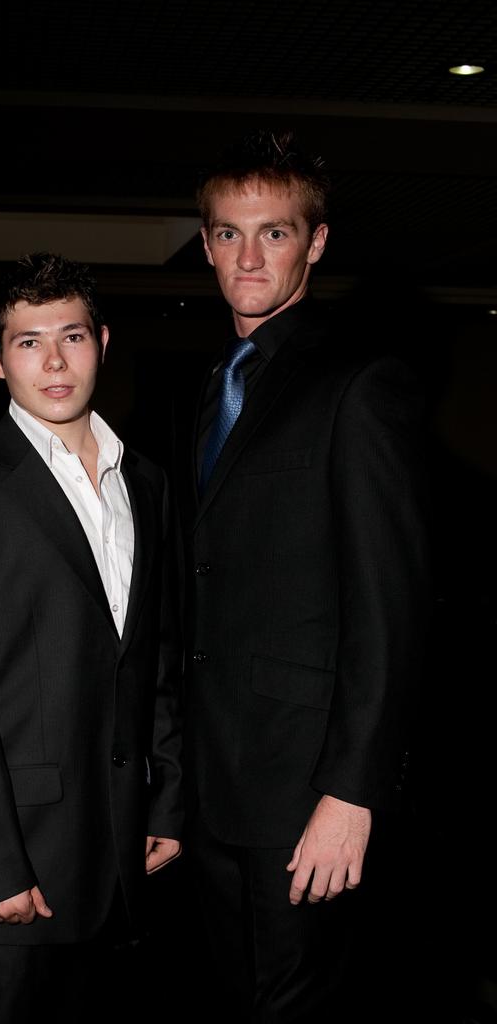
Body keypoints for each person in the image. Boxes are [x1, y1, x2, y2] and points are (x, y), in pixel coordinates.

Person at [182, 131, 428, 1020]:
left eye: (275, 234)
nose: (249, 257)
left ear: (315, 243)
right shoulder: (208, 386)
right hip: (212, 795)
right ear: (205, 241)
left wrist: (352, 792)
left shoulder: (360, 384)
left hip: (304, 796)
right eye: (229, 234)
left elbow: (390, 610)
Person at [0, 252, 182, 1023]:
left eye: (72, 336)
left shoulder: (148, 483)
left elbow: (152, 656)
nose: (54, 362)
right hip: (13, 866)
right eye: (28, 342)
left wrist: (168, 803)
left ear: (103, 341)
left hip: (125, 860)